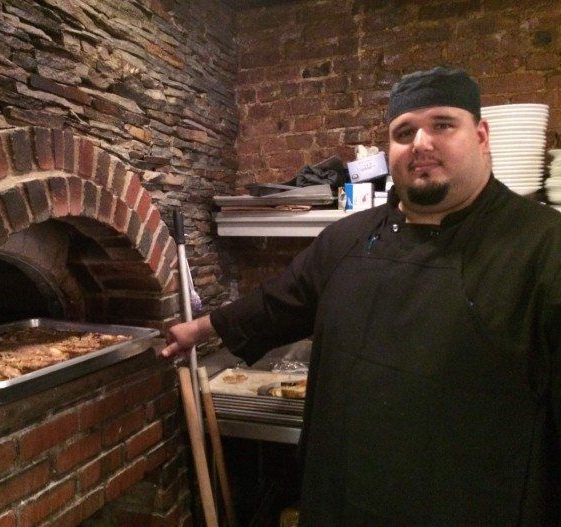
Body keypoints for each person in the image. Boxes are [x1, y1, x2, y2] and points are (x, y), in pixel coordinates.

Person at [161, 67, 561, 525]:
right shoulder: (346, 239)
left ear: (482, 135)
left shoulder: (543, 247)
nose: (421, 143)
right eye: (404, 131)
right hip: (342, 499)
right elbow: (276, 304)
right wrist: (198, 329)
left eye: (443, 124)